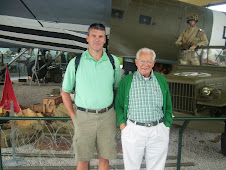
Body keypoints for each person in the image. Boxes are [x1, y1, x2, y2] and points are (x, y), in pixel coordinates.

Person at [61, 23, 121, 170]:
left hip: (107, 117)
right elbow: (65, 92)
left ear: (105, 40)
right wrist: (73, 116)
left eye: (100, 36)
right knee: (82, 160)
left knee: (105, 159)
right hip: (83, 117)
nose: (97, 39)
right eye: (93, 36)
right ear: (87, 38)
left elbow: (117, 90)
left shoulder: (113, 62)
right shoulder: (76, 62)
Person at [115, 48, 173, 170]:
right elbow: (119, 105)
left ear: (153, 63)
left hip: (158, 130)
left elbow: (168, 105)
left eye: (149, 62)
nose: (145, 65)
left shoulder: (161, 80)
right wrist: (123, 126)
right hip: (134, 130)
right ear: (136, 62)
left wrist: (166, 125)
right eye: (142, 61)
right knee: (132, 167)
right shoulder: (127, 81)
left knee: (157, 167)